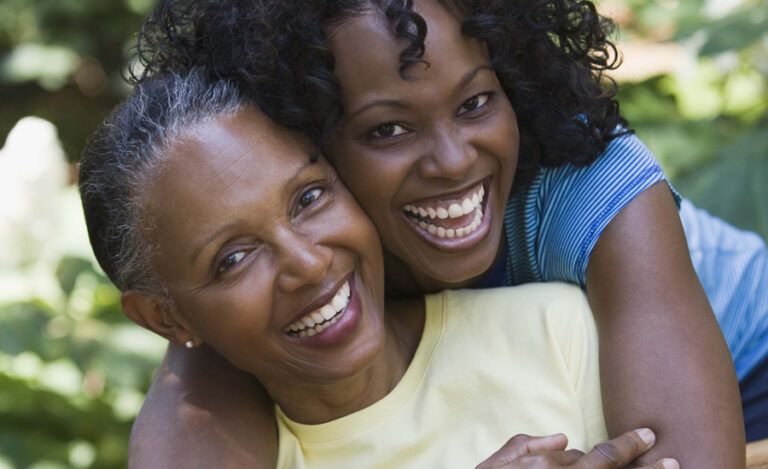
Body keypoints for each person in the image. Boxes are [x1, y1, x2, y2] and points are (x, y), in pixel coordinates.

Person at [126, 0, 764, 466]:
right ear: (300, 138)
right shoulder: (294, 266)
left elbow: (682, 457)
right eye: (388, 130)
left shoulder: (585, 176)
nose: (456, 161)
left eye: (476, 103)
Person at [78, 68, 678, 469]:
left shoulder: (556, 333)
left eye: (310, 198)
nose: (309, 265)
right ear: (165, 316)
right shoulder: (222, 453)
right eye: (234, 259)